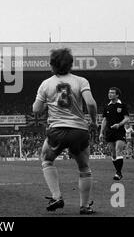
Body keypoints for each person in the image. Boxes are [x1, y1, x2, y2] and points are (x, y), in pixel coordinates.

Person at [33, 48, 98, 215]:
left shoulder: (46, 84)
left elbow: (36, 109)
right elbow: (91, 103)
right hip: (79, 130)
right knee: (84, 168)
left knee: (47, 160)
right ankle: (84, 206)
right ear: (71, 64)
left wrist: (48, 103)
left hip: (57, 130)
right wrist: (94, 121)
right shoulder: (81, 81)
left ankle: (57, 196)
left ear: (52, 65)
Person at [99, 87, 130, 180]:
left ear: (117, 95)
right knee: (113, 153)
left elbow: (127, 118)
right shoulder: (107, 107)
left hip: (119, 131)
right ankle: (118, 172)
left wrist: (119, 124)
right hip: (109, 132)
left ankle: (118, 173)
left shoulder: (122, 106)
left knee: (118, 150)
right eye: (109, 92)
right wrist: (101, 133)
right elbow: (104, 120)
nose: (110, 94)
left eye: (112, 93)